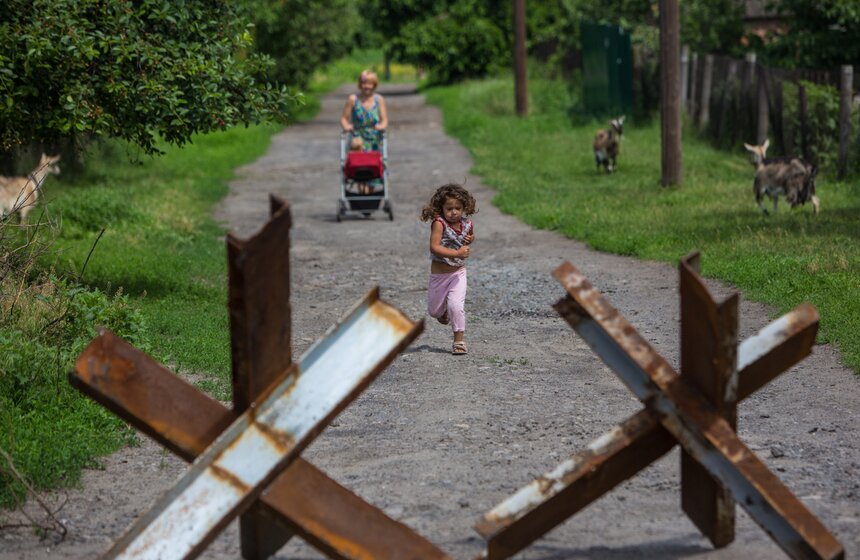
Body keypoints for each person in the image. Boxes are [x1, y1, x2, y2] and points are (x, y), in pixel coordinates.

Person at [420, 184, 477, 355]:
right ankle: (442, 312)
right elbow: (434, 247)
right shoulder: (439, 224)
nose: (454, 212)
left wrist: (471, 238)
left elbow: (468, 237)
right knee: (434, 311)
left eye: (458, 208)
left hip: (458, 273)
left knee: (456, 305)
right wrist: (457, 252)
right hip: (439, 275)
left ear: (464, 207)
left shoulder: (467, 224)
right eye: (449, 208)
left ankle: (459, 341)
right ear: (442, 208)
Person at [340, 70, 388, 152]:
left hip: (375, 138)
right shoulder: (353, 99)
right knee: (357, 161)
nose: (366, 86)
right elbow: (344, 118)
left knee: (376, 161)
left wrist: (382, 126)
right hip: (357, 138)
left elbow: (384, 120)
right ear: (360, 84)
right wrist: (346, 126)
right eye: (364, 83)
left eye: (369, 83)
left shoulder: (379, 100)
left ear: (374, 85)